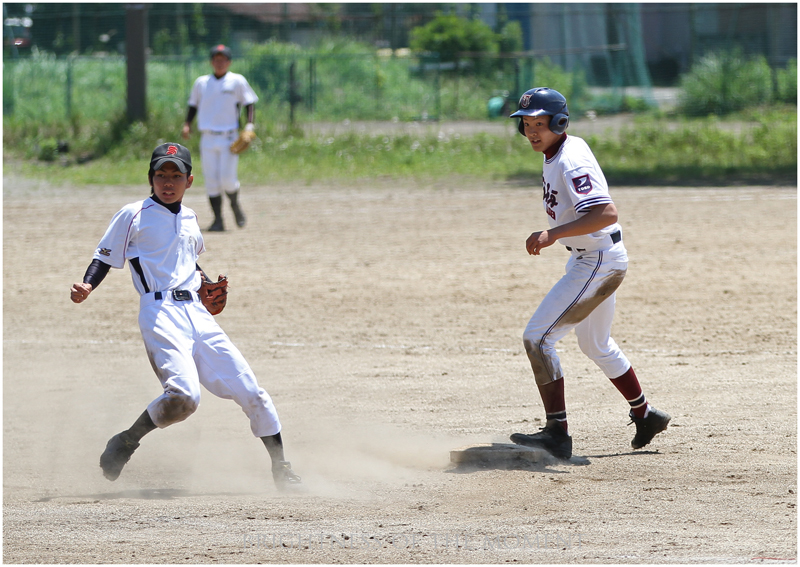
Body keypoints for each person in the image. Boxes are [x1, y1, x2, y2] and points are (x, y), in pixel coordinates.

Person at [70, 142, 301, 490]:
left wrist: (205, 283)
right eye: (160, 174)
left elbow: (187, 260)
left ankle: (281, 467)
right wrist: (88, 285)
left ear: (189, 181)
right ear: (150, 178)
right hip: (159, 312)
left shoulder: (191, 218)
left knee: (252, 391)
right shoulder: (133, 214)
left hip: (196, 312)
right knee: (185, 397)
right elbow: (104, 256)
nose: (167, 181)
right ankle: (127, 441)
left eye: (175, 175)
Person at [507, 87, 671, 460]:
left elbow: (606, 213)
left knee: (537, 339)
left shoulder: (570, 161)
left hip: (597, 260)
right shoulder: (557, 151)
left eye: (540, 124)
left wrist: (553, 233)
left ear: (559, 123)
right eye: (526, 124)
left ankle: (556, 434)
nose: (532, 131)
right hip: (596, 256)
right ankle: (646, 415)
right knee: (595, 344)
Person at [182, 44, 257, 231]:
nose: (219, 62)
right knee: (211, 180)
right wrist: (187, 124)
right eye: (216, 59)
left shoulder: (237, 81)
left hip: (228, 137)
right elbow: (193, 105)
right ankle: (218, 220)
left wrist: (249, 126)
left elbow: (249, 103)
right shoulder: (202, 83)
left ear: (229, 62)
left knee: (227, 179)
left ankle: (235, 205)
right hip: (207, 136)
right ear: (211, 62)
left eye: (223, 59)